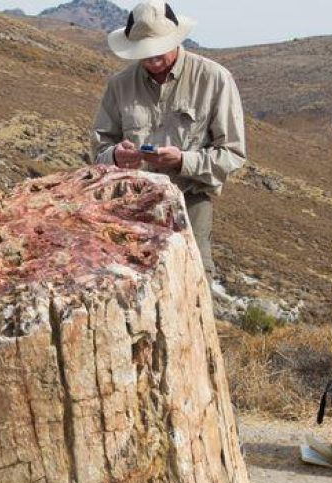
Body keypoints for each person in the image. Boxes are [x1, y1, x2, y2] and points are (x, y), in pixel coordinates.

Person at [91, 0, 246, 286]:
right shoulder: (119, 85)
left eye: (158, 48)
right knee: (132, 285)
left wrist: (183, 160)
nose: (151, 58)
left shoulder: (215, 80)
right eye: (144, 52)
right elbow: (99, 150)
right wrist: (115, 156)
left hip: (190, 201)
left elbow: (232, 154)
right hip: (130, 205)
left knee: (193, 282)